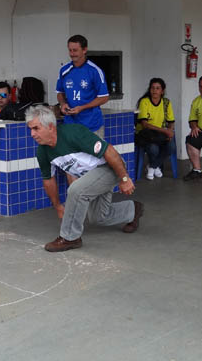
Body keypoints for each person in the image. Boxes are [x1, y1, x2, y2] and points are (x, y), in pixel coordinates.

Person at [26, 104, 142, 252]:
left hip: (110, 168)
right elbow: (48, 180)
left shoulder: (73, 133)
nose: (32, 134)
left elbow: (109, 150)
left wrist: (124, 178)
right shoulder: (43, 151)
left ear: (50, 127)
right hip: (90, 177)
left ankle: (70, 238)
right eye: (30, 129)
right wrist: (58, 206)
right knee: (98, 217)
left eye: (36, 128)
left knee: (76, 190)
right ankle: (132, 210)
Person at [56, 35, 109, 137]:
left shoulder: (94, 70)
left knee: (94, 149)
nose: (72, 54)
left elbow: (104, 97)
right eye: (70, 50)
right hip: (70, 126)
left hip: (91, 126)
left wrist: (82, 107)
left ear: (84, 50)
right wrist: (63, 104)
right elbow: (60, 92)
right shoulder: (64, 70)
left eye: (75, 50)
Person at [135, 77, 176, 180]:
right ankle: (155, 166)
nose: (154, 90)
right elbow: (144, 124)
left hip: (160, 135)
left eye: (158, 88)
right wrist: (165, 131)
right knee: (153, 149)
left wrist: (170, 131)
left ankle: (152, 166)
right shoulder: (144, 102)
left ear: (162, 91)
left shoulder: (166, 103)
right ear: (149, 89)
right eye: (152, 88)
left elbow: (171, 122)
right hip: (147, 135)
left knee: (171, 147)